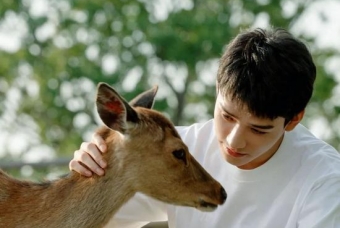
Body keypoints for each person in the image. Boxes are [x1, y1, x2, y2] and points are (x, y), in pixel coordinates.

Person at [69, 27, 340, 228]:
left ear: (294, 120)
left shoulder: (325, 180)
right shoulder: (176, 151)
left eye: (258, 130)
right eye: (227, 116)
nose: (234, 141)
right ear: (217, 89)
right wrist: (92, 176)